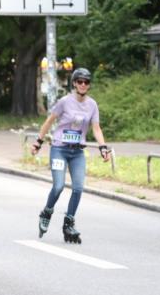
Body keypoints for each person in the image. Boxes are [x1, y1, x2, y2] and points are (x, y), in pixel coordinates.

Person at [29, 68, 111, 244]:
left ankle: (69, 222)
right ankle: (47, 212)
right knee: (58, 186)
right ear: (74, 83)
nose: (82, 85)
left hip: (77, 152)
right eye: (79, 81)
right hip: (59, 149)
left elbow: (96, 128)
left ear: (89, 85)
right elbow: (49, 121)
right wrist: (38, 142)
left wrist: (103, 147)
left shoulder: (92, 105)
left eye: (86, 82)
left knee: (78, 188)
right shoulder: (65, 102)